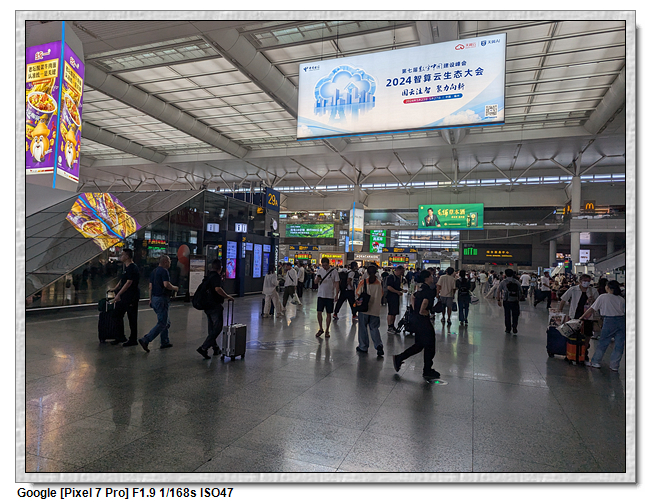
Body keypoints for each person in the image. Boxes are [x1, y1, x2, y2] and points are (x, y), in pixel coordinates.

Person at [392, 270, 440, 380]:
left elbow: (413, 297)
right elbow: (425, 302)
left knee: (419, 344)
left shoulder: (420, 288)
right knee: (430, 344)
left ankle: (399, 358)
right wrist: (423, 311)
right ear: (427, 278)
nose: (432, 278)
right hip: (423, 321)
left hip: (416, 320)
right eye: (431, 276)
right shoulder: (429, 290)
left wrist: (415, 310)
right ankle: (427, 370)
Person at [580, 280, 625, 372]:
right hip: (621, 321)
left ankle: (595, 361)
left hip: (609, 321)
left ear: (608, 287)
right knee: (619, 344)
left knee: (603, 342)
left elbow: (592, 309)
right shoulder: (621, 299)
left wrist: (582, 317)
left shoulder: (603, 297)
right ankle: (614, 365)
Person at [138, 255, 178, 352]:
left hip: (155, 298)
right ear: (165, 262)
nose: (170, 263)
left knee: (166, 322)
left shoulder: (154, 271)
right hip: (162, 299)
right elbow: (166, 284)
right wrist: (175, 288)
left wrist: (150, 299)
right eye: (169, 261)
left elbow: (150, 287)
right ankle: (146, 339)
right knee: (162, 323)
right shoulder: (164, 271)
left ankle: (165, 341)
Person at [196, 260, 235, 359]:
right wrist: (227, 296)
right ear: (220, 268)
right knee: (217, 328)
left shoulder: (208, 276)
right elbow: (217, 289)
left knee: (211, 329)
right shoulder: (216, 277)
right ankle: (204, 347)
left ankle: (215, 348)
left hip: (207, 305)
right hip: (214, 305)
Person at [558, 274, 598, 355]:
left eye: (588, 281)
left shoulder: (593, 291)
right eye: (584, 281)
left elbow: (598, 303)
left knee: (587, 334)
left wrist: (592, 300)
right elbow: (563, 300)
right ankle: (572, 351)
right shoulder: (573, 289)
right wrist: (560, 311)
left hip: (588, 316)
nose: (586, 283)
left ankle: (583, 351)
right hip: (575, 315)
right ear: (580, 281)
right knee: (573, 334)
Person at [110, 248, 140, 347]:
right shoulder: (126, 268)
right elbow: (123, 280)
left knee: (132, 318)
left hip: (131, 296)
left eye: (122, 255)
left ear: (127, 256)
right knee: (117, 315)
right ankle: (120, 336)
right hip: (124, 296)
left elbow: (128, 282)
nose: (120, 256)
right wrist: (116, 288)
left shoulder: (133, 268)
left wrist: (118, 294)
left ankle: (133, 339)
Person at [355, 265, 384, 356]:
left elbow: (357, 293)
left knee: (363, 328)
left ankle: (363, 346)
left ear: (367, 272)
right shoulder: (379, 283)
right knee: (374, 328)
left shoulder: (363, 282)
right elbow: (381, 295)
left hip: (364, 309)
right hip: (375, 310)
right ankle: (378, 345)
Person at [314, 257, 340, 338]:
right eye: (323, 265)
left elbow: (337, 283)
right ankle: (321, 328)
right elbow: (315, 282)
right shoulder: (319, 271)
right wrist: (317, 279)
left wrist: (336, 294)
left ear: (329, 264)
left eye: (326, 265)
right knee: (319, 312)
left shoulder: (334, 271)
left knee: (329, 313)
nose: (324, 267)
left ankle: (327, 330)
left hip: (330, 295)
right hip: (320, 295)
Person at [497, 269, 523, 334]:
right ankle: (514, 326)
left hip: (506, 300)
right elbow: (521, 291)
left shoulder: (503, 282)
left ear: (505, 274)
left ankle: (508, 328)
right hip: (515, 300)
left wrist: (498, 300)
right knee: (515, 314)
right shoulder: (516, 282)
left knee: (507, 314)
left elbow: (498, 291)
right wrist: (518, 298)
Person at [386, 266, 407, 334]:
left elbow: (397, 287)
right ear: (397, 270)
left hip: (396, 297)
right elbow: (389, 287)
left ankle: (392, 326)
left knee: (394, 312)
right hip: (391, 297)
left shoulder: (398, 278)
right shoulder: (391, 277)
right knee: (391, 312)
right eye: (401, 272)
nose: (402, 273)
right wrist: (397, 292)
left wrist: (402, 290)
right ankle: (389, 327)